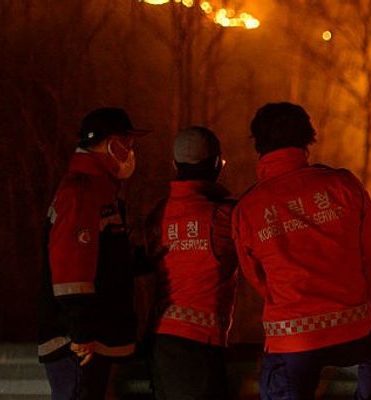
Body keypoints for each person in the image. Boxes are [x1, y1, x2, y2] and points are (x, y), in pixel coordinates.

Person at [232, 102, 371, 400]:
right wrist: (360, 307)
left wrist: (289, 303)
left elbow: (255, 276)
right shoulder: (342, 185)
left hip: (292, 340)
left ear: (258, 144)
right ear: (307, 139)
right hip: (354, 330)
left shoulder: (247, 209)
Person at [38, 107, 147, 399]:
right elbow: (71, 267)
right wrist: (81, 332)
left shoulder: (98, 190)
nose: (131, 151)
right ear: (112, 143)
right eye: (128, 143)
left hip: (88, 339)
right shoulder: (82, 192)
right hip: (77, 343)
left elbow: (102, 260)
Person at [143, 127, 238, 399]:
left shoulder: (157, 215)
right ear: (218, 164)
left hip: (160, 340)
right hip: (200, 344)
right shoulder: (224, 218)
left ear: (174, 165)